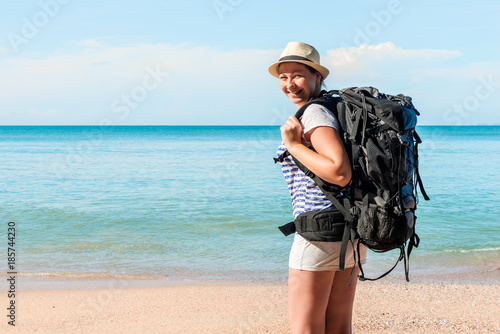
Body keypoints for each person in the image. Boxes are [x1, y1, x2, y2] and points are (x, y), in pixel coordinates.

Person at [269, 41, 367, 334]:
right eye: (283, 77)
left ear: (317, 77)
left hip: (318, 234)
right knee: (338, 328)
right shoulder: (333, 109)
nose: (290, 84)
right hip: (348, 231)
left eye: (298, 74)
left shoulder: (314, 114)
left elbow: (339, 171)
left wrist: (293, 144)